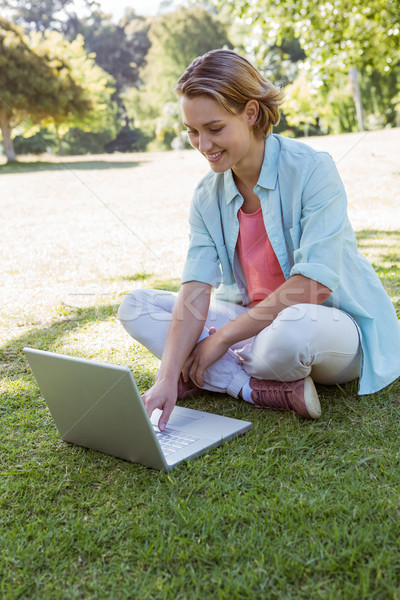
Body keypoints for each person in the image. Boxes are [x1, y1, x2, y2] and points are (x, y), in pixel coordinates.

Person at [118, 49, 400, 431]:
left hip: (328, 326)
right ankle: (255, 388)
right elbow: (196, 288)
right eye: (192, 131)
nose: (203, 145)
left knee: (292, 330)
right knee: (137, 306)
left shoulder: (312, 169)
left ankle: (218, 369)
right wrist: (166, 377)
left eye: (214, 129)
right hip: (256, 326)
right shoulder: (207, 195)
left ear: (250, 113)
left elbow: (313, 286)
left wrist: (220, 341)